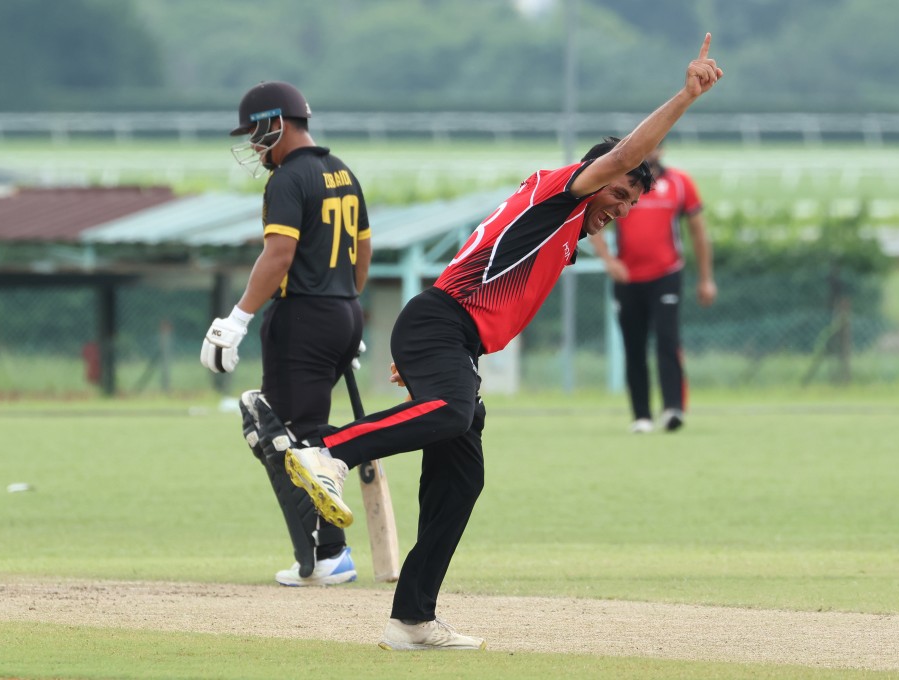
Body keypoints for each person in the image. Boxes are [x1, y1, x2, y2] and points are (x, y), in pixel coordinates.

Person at [260, 35, 719, 650]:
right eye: (620, 192)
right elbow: (626, 153)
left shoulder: (562, 219)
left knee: (461, 476)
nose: (623, 207)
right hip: (439, 322)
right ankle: (326, 450)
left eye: (634, 202)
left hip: (449, 335)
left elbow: (480, 260)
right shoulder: (565, 192)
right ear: (597, 175)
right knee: (452, 411)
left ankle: (412, 618)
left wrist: (427, 361)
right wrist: (685, 97)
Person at [200, 80, 372, 587]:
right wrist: (348, 309)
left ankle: (328, 555)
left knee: (290, 436)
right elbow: (363, 251)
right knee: (308, 429)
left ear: (277, 122)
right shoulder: (343, 171)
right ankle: (328, 553)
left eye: (256, 132)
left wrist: (236, 319)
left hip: (303, 316)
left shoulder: (288, 180)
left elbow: (279, 256)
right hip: (343, 311)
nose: (254, 145)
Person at [589, 141, 716, 434]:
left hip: (666, 274)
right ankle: (641, 416)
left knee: (668, 341)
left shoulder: (680, 183)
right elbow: (594, 220)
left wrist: (706, 278)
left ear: (664, 149)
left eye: (657, 145)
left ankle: (673, 409)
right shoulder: (621, 184)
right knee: (634, 346)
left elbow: (698, 232)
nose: (652, 151)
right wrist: (609, 261)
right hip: (628, 277)